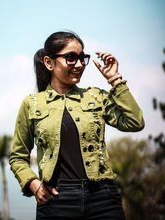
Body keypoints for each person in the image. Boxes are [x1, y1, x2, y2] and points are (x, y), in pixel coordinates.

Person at [9, 31, 144, 220]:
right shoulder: (32, 104)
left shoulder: (96, 96)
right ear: (49, 63)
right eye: (71, 58)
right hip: (56, 202)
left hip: (104, 199)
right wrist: (33, 183)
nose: (80, 64)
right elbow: (17, 157)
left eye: (82, 58)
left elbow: (135, 122)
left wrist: (115, 80)